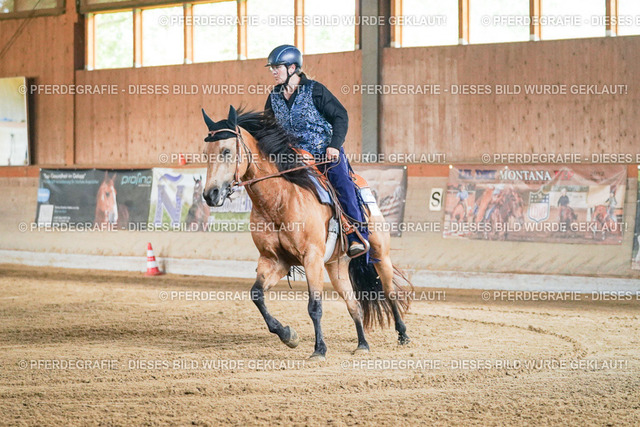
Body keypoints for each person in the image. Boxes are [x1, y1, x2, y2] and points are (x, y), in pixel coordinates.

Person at [263, 45, 368, 258]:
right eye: (272, 68)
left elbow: (340, 116)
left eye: (277, 67)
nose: (273, 71)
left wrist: (334, 145)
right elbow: (268, 128)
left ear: (292, 68)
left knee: (342, 183)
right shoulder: (274, 97)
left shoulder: (315, 90)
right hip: (291, 157)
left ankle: (355, 234)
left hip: (324, 153)